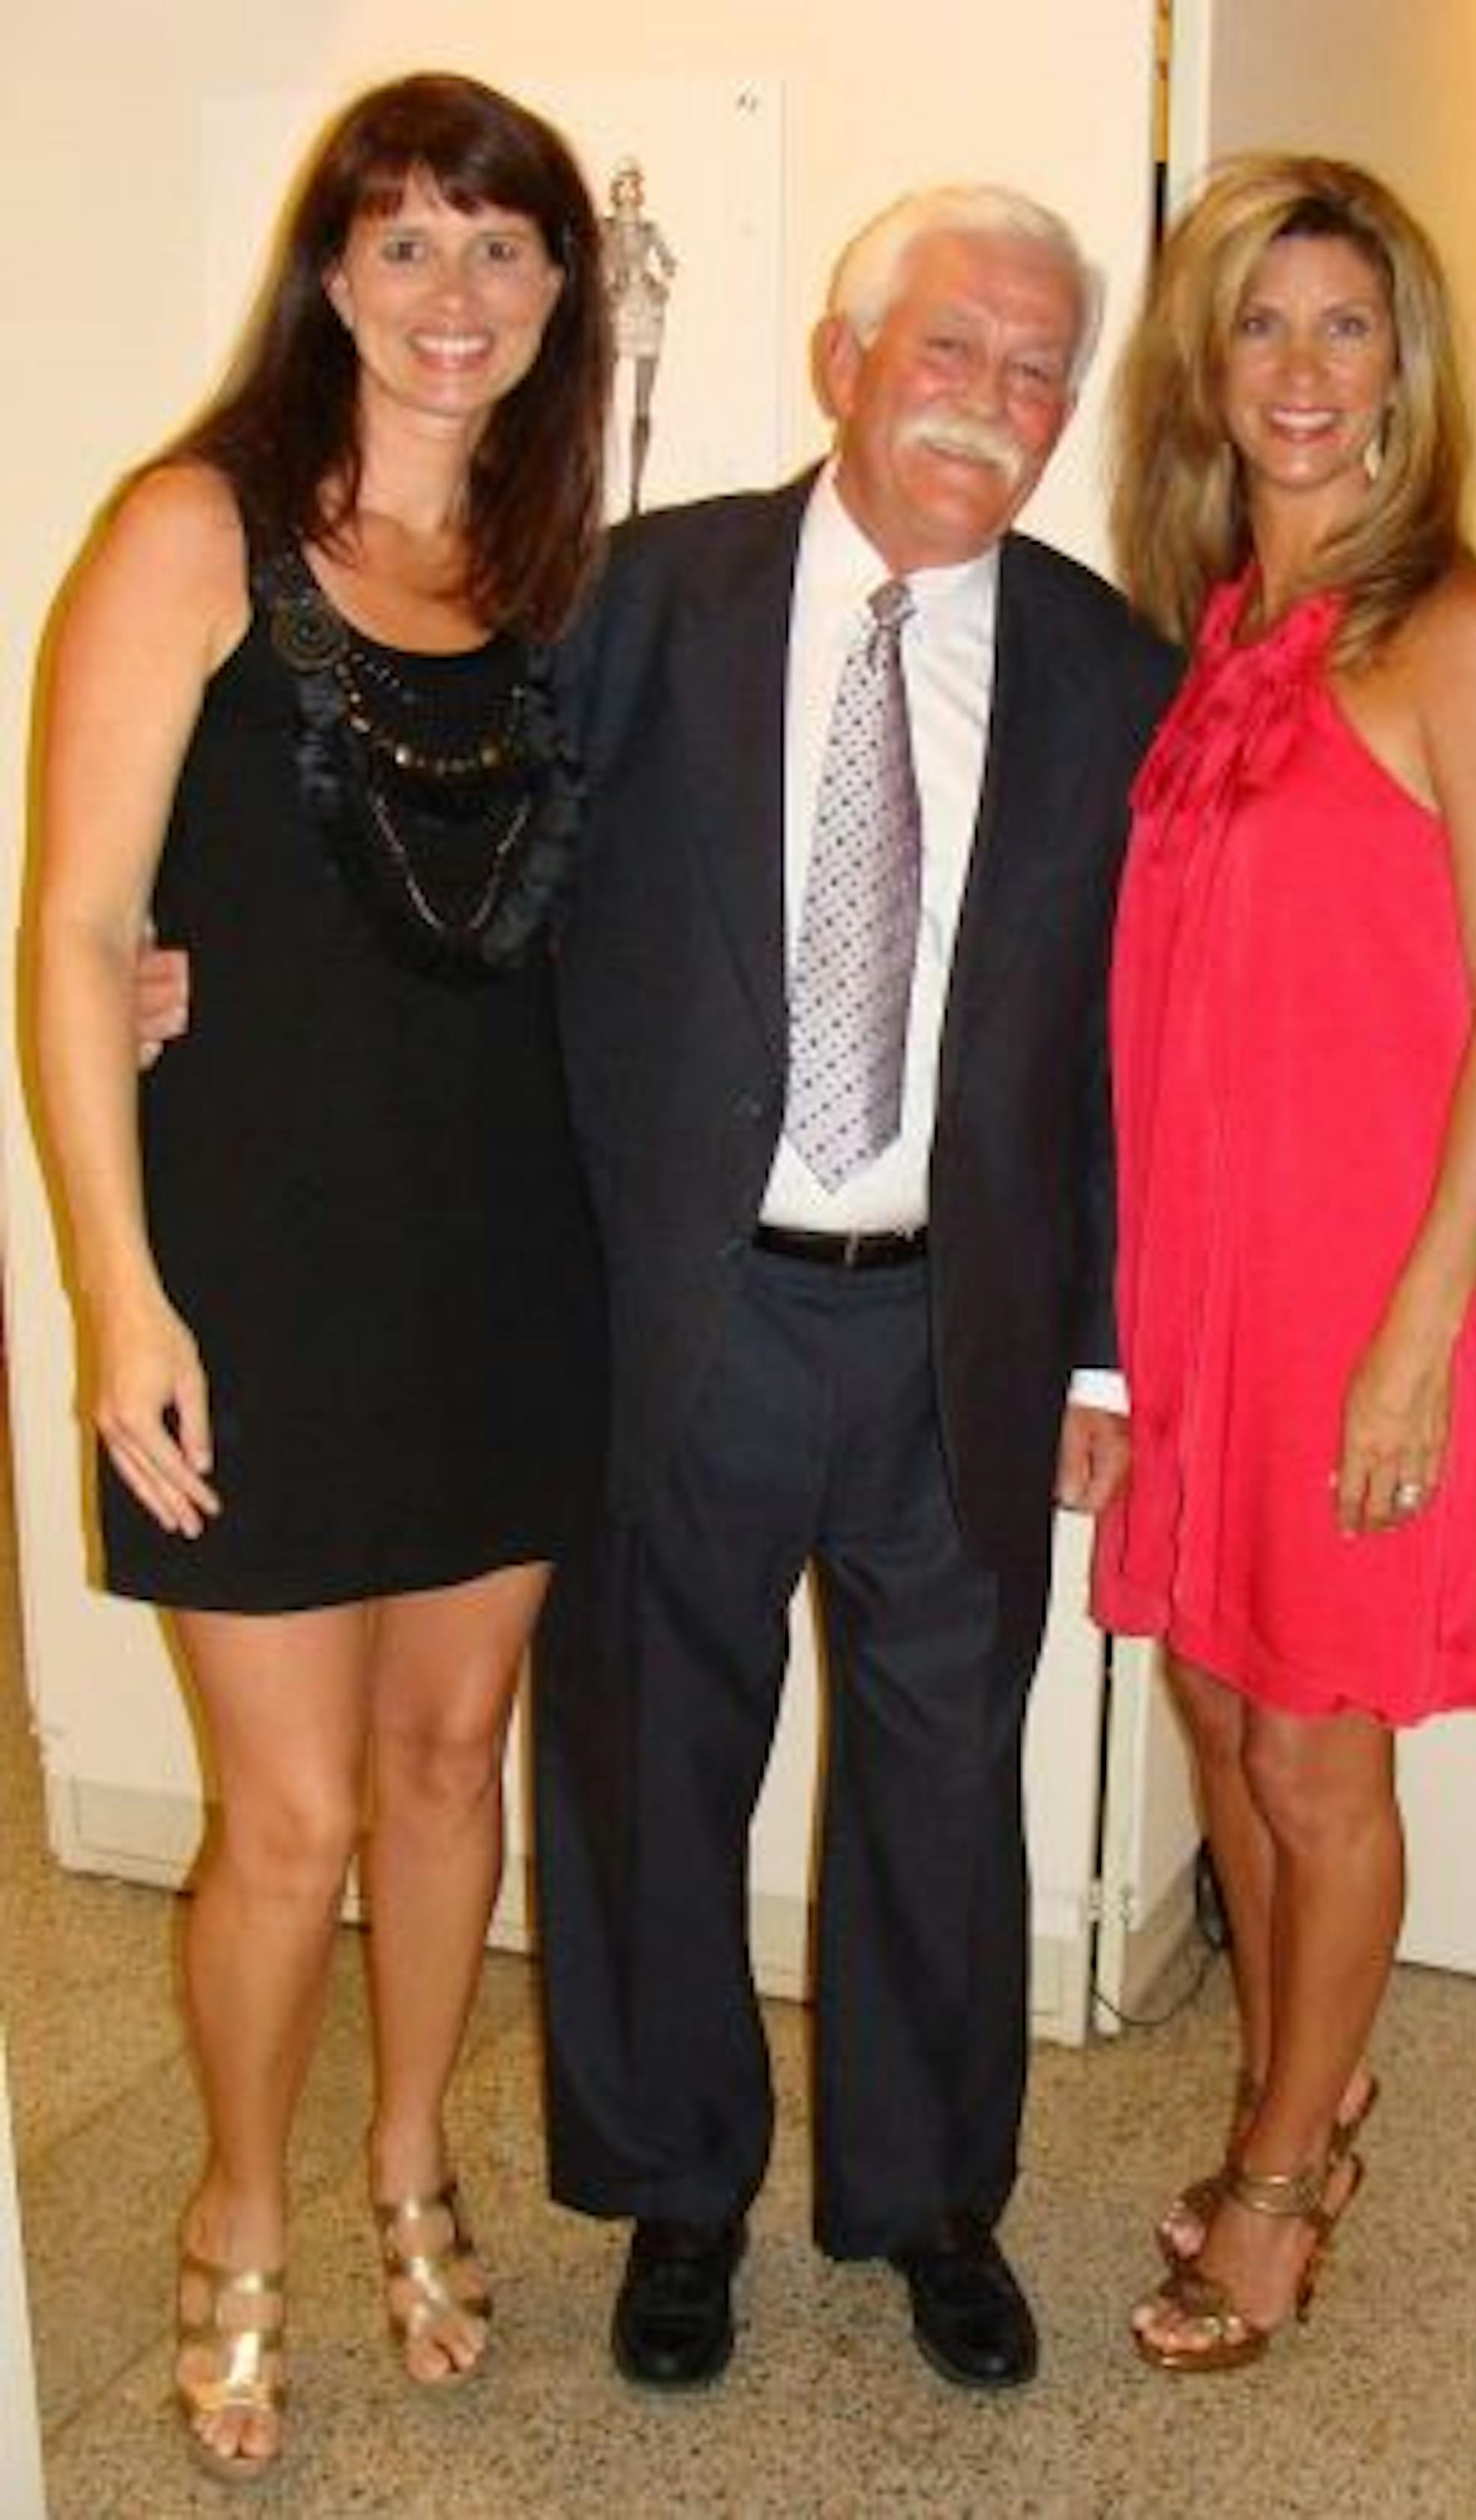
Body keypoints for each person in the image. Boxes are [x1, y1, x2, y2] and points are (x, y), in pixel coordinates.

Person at [535, 185, 1179, 2394]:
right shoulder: (644, 600)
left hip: (952, 1333)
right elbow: (488, 905)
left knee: (940, 1779)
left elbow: (1120, 1051)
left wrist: (1099, 1341)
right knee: (647, 1758)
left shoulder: (1109, 670)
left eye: (1035, 371)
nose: (994, 404)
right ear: (844, 360)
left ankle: (924, 2201)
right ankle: (677, 2184)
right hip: (680, 1316)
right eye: (951, 352)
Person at [31, 73, 610, 2480]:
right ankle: (242, 2204)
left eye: (502, 250)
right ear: (330, 272)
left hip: (508, 1261)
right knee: (282, 1822)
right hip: (255, 1263)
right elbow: (72, 930)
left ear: (562, 291)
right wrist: (119, 1296)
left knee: (448, 1759)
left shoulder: (569, 577)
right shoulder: (195, 527)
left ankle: (408, 2151)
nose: (455, 297)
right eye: (407, 246)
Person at [1093, 154, 1476, 2372]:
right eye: (1260, 325)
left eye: (1344, 328)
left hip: (1360, 1290)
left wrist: (1409, 1350)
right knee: (1210, 1682)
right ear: (1210, 362)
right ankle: (1327, 2061)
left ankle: (1283, 2177)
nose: (1298, 370)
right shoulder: (1220, 635)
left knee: (1314, 1750)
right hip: (1204, 1291)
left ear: (1408, 373)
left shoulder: (1462, 635)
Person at [601, 158, 678, 514]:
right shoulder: (605, 229)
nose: (628, 193)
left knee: (642, 407)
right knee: (603, 401)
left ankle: (635, 493)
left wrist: (658, 283)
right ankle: (603, 491)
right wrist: (609, 284)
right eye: (623, 187)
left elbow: (670, 264)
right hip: (616, 309)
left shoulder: (649, 230)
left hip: (644, 308)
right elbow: (594, 263)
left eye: (633, 187)